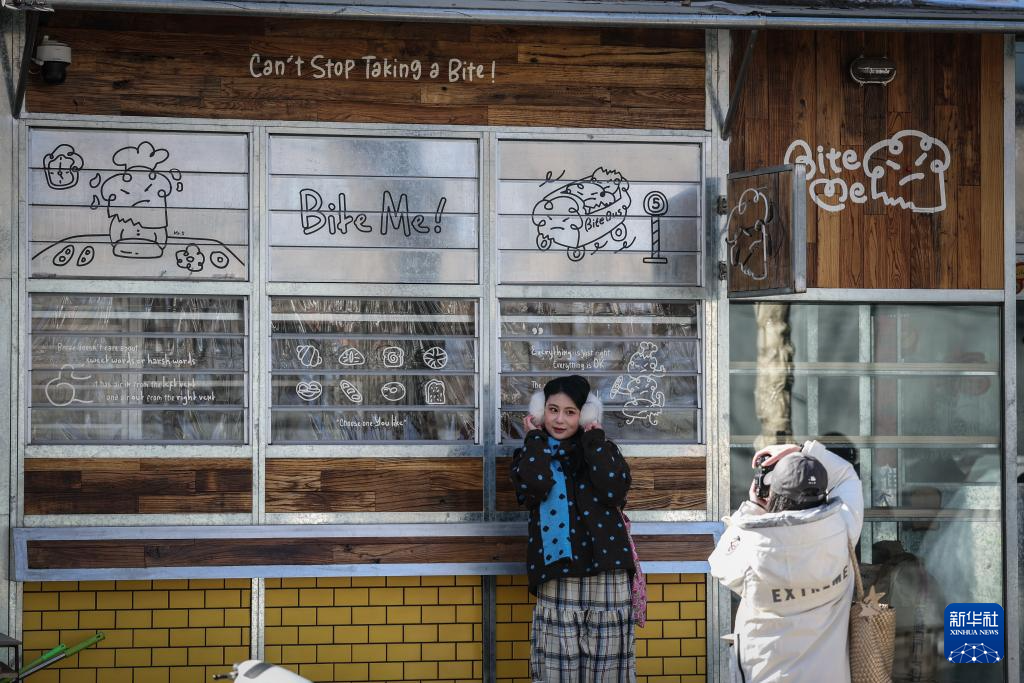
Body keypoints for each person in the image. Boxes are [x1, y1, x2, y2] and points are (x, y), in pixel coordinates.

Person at [509, 375, 636, 683]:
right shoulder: (530, 453)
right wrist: (535, 440)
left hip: (606, 571)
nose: (560, 419)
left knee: (607, 667)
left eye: (570, 412)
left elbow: (613, 492)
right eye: (552, 410)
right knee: (557, 666)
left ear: (586, 414)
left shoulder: (602, 449)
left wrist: (594, 442)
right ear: (540, 412)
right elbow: (535, 487)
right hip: (558, 569)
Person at [709, 441, 865, 683]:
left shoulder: (752, 545)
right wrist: (802, 450)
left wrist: (752, 509)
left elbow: (718, 563)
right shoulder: (844, 528)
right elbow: (846, 476)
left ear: (772, 494)